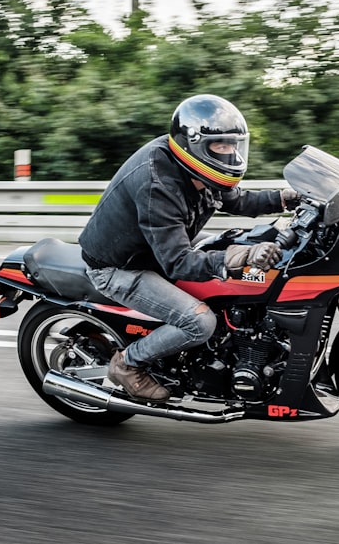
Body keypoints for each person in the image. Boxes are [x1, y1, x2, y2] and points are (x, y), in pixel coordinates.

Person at [78, 94, 299, 402]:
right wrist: (242, 257)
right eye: (222, 145)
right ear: (195, 144)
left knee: (236, 251)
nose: (231, 153)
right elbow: (178, 262)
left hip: (156, 248)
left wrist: (286, 198)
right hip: (122, 267)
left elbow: (238, 200)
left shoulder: (195, 166)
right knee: (200, 322)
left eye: (234, 144)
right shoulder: (158, 183)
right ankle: (126, 365)